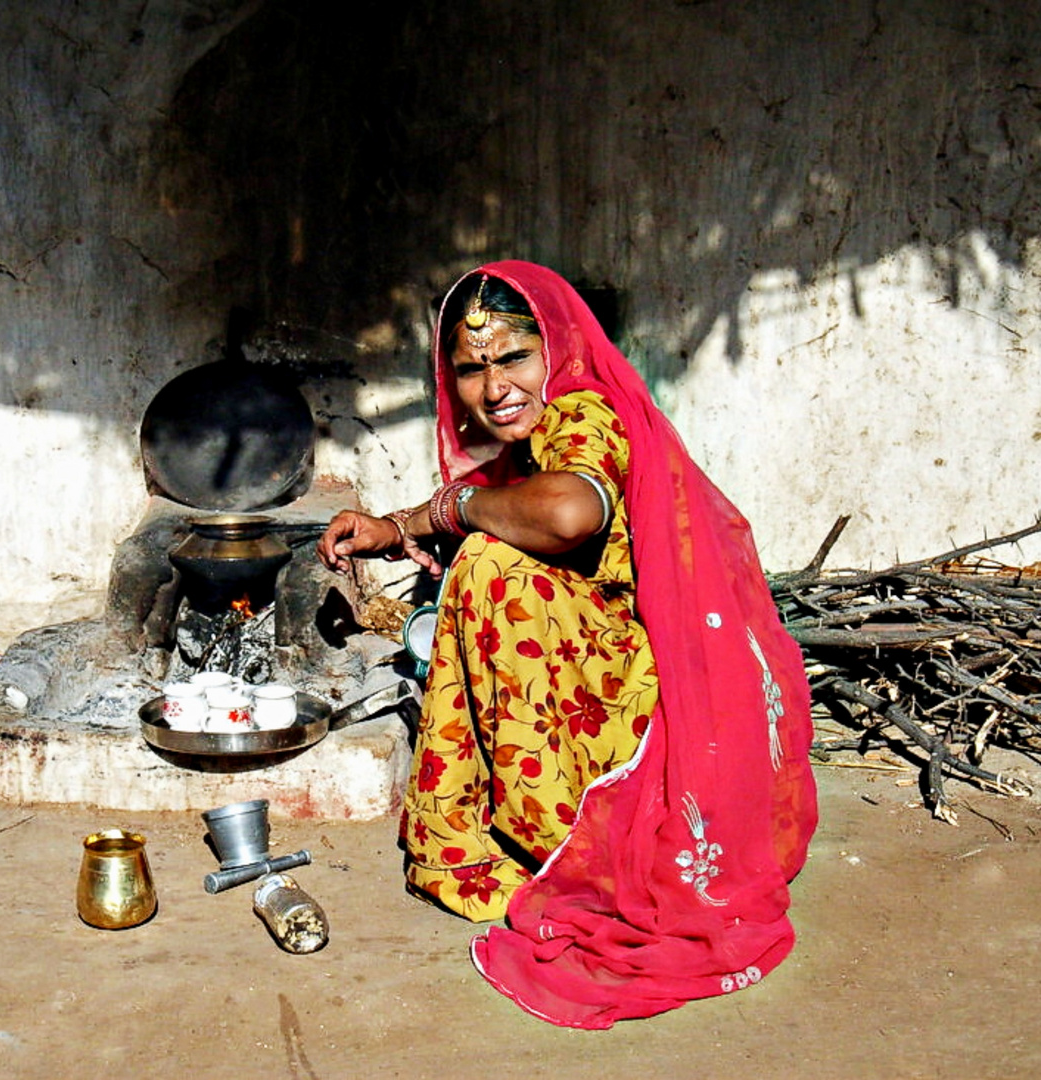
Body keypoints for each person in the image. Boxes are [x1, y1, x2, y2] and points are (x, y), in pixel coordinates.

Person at [317, 260, 817, 1029]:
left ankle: (568, 850)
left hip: (642, 698)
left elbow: (568, 515)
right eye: (470, 369)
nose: (493, 388)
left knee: (491, 566)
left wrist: (456, 511)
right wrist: (397, 526)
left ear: (556, 350)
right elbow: (497, 499)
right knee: (488, 550)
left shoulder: (584, 415)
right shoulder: (535, 436)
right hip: (613, 672)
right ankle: (548, 837)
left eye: (513, 358)